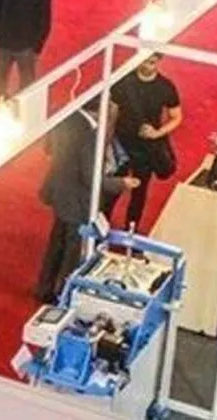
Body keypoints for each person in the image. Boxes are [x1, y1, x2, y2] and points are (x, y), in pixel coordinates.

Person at [34, 99, 139, 303]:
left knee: (57, 242)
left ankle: (44, 287)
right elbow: (90, 177)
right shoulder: (90, 134)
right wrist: (121, 183)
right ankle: (63, 293)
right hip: (78, 199)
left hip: (60, 191)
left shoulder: (66, 118)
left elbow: (49, 149)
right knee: (73, 250)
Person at [109, 54, 183, 229]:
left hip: (146, 147)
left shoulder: (165, 87)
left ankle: (131, 230)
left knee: (139, 193)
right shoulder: (123, 82)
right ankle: (103, 225)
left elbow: (176, 117)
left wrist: (157, 133)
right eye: (145, 61)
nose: (148, 66)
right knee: (112, 188)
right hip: (121, 144)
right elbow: (113, 112)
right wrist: (108, 138)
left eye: (152, 62)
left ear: (158, 61)